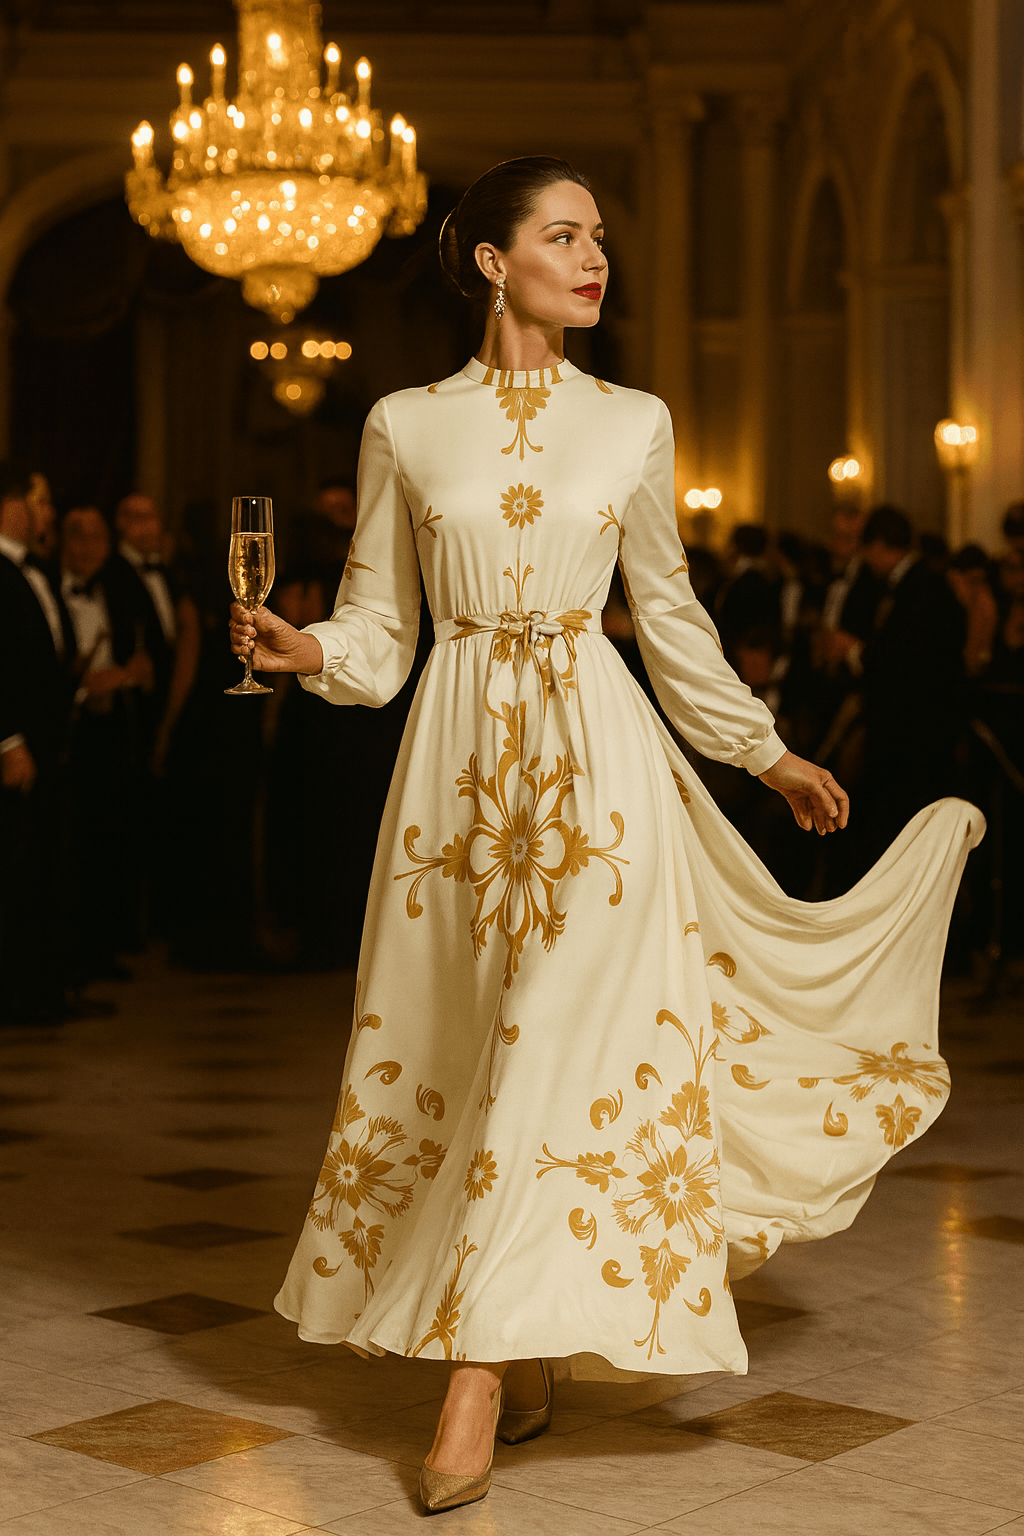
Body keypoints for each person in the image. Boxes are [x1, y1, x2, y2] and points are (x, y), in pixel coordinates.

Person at [230, 158, 980, 1516]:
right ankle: (525, 1346)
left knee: (555, 1040)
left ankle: (470, 1372)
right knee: (475, 1044)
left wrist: (765, 750)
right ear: (490, 262)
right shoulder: (405, 422)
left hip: (601, 768)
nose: (594, 258)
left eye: (596, 237)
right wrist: (305, 650)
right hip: (452, 783)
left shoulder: (635, 420)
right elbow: (384, 632)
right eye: (562, 236)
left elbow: (672, 616)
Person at [828, 505, 967, 873]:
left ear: (878, 545)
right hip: (907, 728)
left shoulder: (922, 589)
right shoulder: (910, 584)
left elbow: (906, 661)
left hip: (914, 732)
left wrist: (854, 651)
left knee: (903, 828)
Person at [61, 505, 153, 978]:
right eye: (77, 535)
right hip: (63, 739)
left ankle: (99, 951)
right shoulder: (48, 590)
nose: (87, 547)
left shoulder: (116, 590)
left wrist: (129, 677)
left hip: (109, 735)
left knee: (106, 842)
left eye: (95, 537)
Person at [0, 466, 75, 1022]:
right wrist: (8, 740)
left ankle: (38, 988)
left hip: (49, 747)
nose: (49, 514)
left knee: (40, 870)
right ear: (12, 504)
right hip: (16, 750)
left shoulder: (35, 571)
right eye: (41, 501)